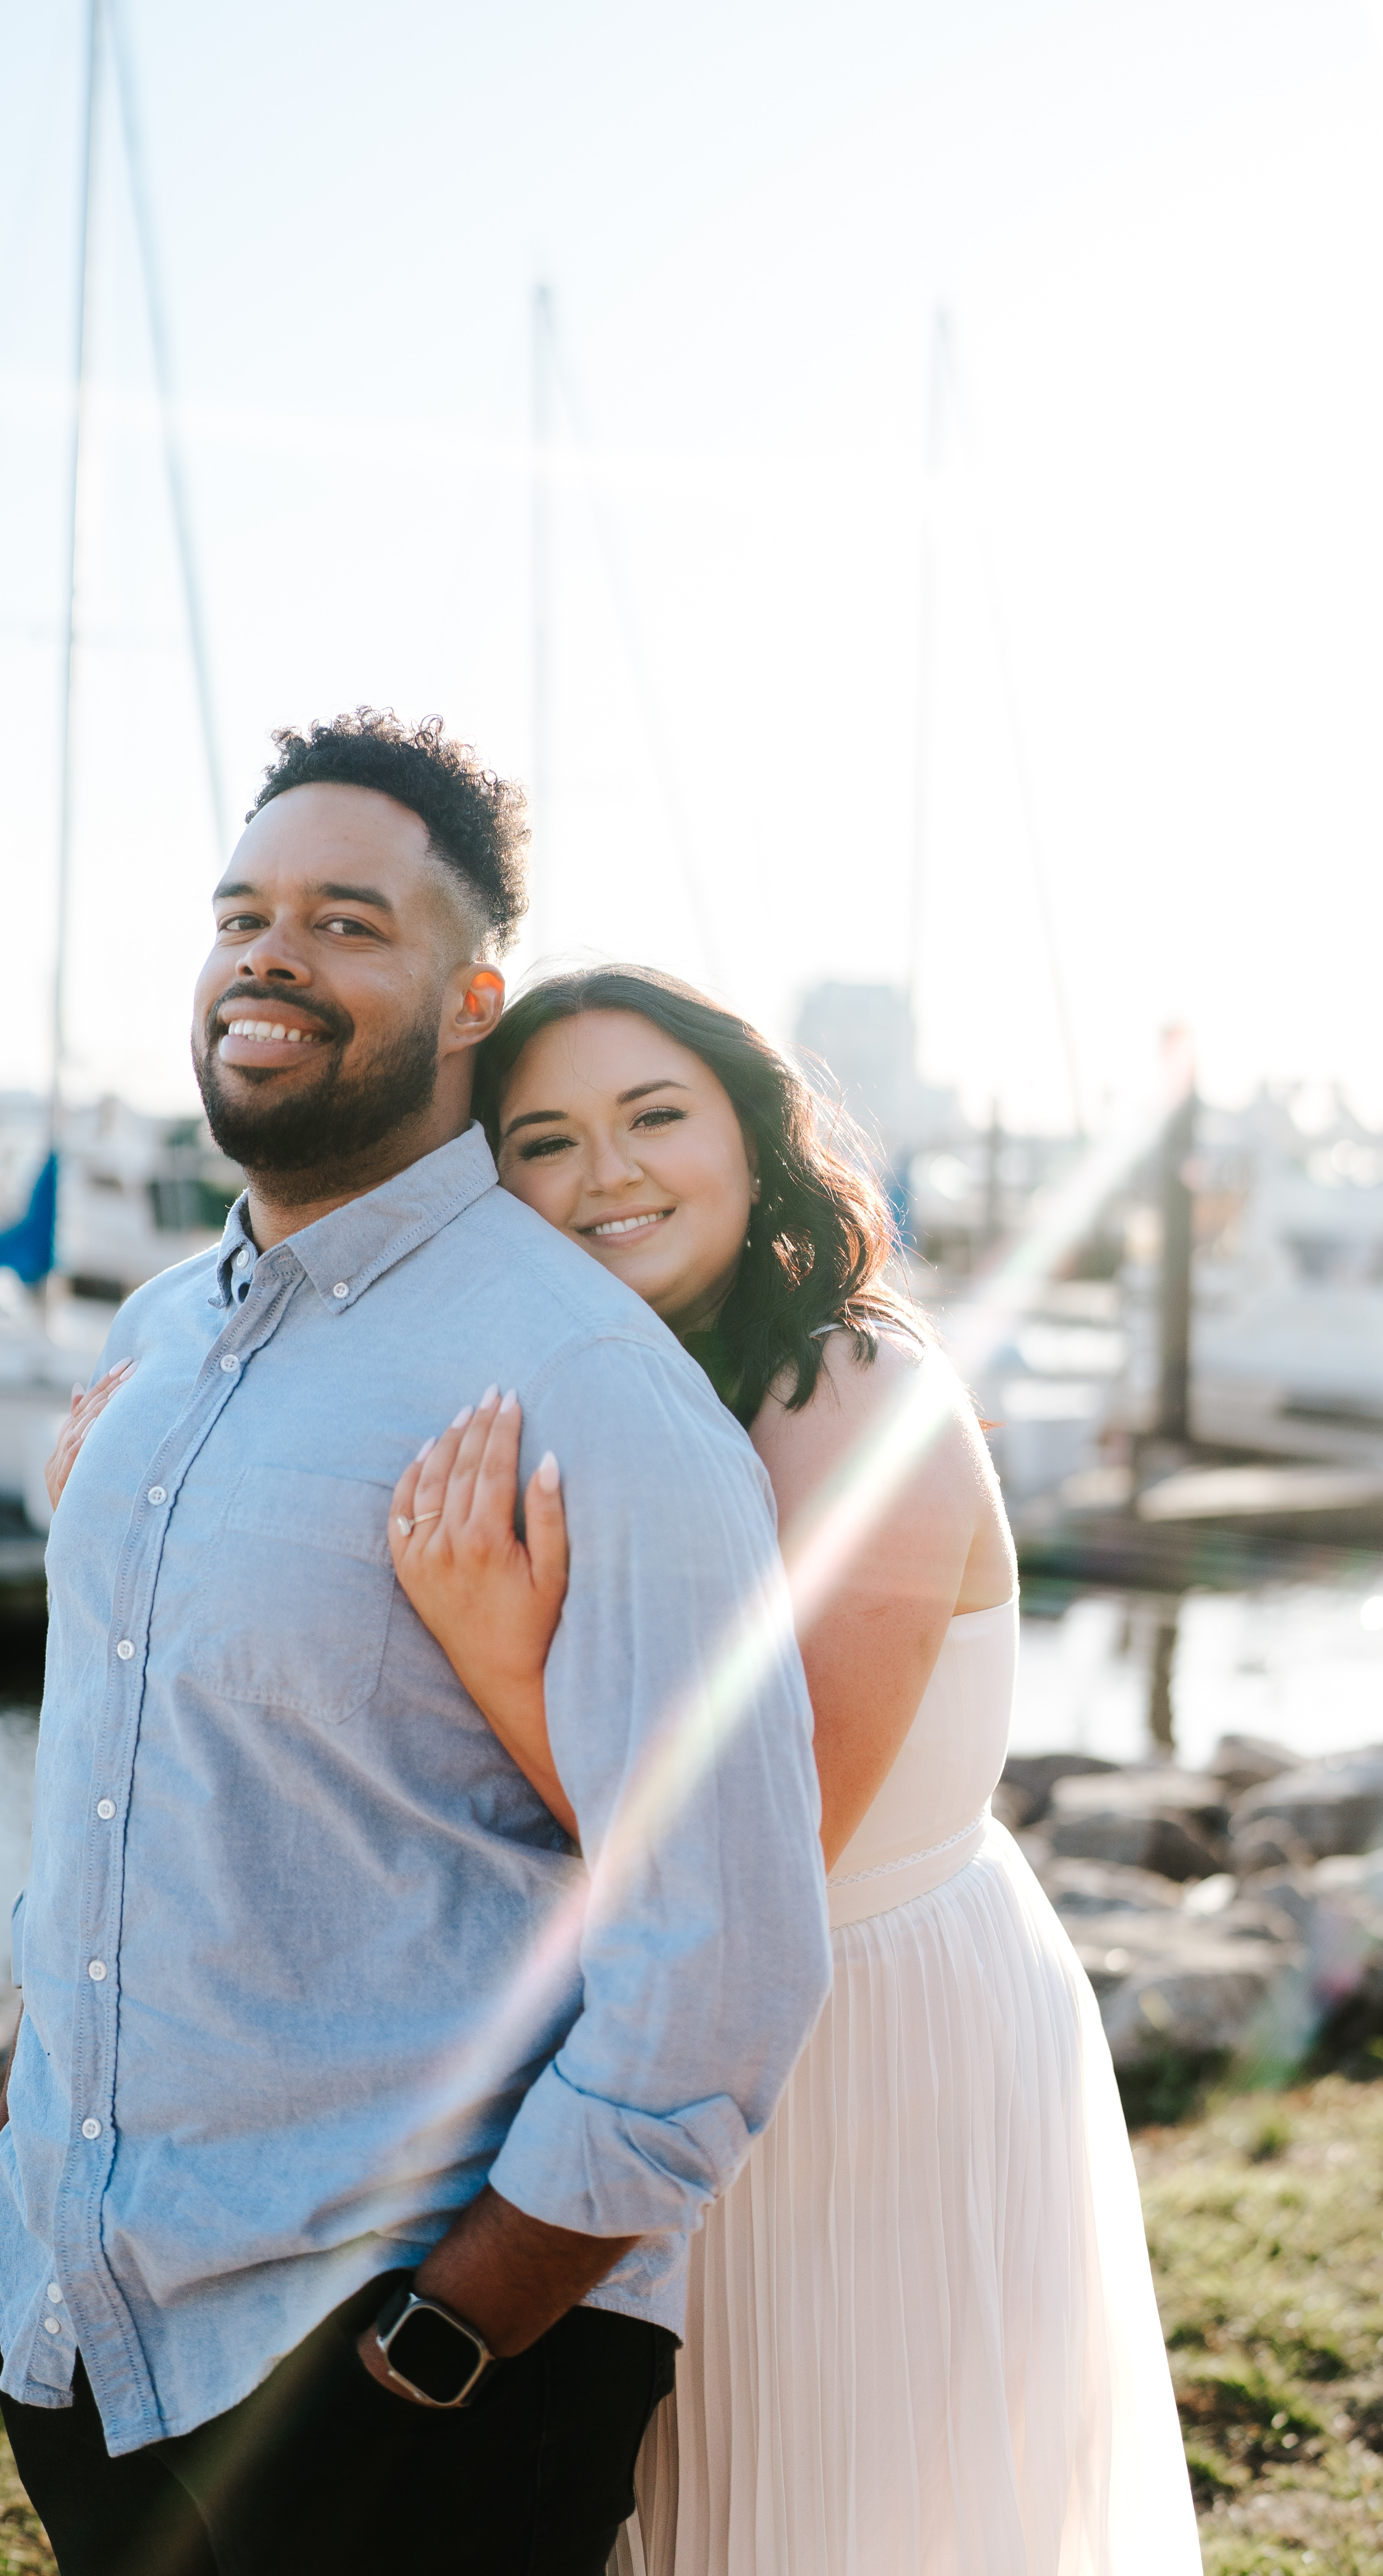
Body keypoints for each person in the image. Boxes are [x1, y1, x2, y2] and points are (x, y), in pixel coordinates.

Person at [0, 717, 831, 2576]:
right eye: (241, 913)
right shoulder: (150, 1348)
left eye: (349, 922)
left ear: (471, 998)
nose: (270, 955)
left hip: (399, 2382)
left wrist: (453, 2335)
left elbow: (733, 1948)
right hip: (80, 2333)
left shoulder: (587, 1386)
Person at [387, 965, 1201, 2576]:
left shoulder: (863, 1390)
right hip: (643, 2046)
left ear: (754, 1143)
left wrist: (492, 1651)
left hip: (868, 2035)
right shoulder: (590, 1392)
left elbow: (771, 1852)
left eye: (653, 1116)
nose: (605, 1171)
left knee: (847, 2509)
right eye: (544, 1140)